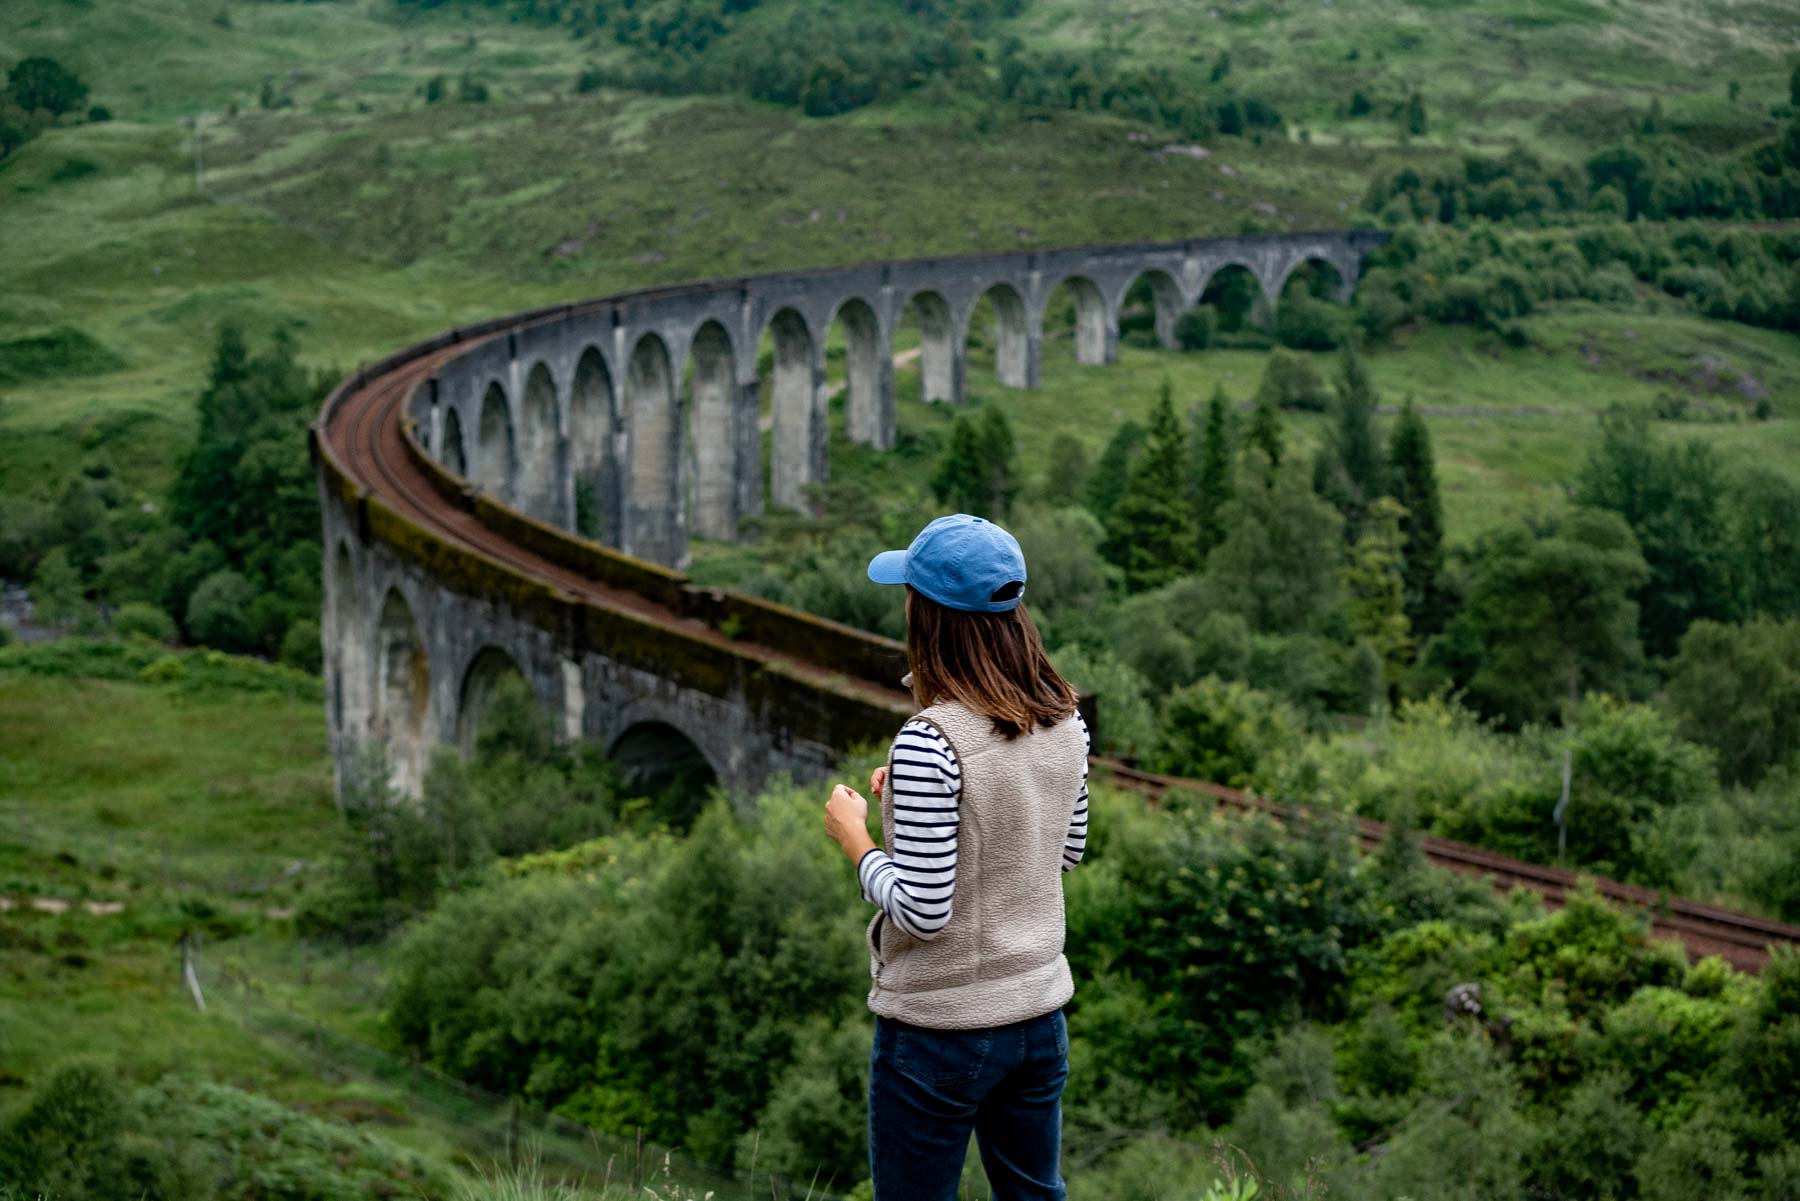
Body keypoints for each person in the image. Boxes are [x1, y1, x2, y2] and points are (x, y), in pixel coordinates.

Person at [821, 513, 1091, 1200]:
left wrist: (857, 836)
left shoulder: (928, 740)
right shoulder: (1065, 718)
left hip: (941, 1030)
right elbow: (1064, 848)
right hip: (1038, 1016)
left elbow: (924, 907)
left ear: (929, 616)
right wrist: (921, 814)